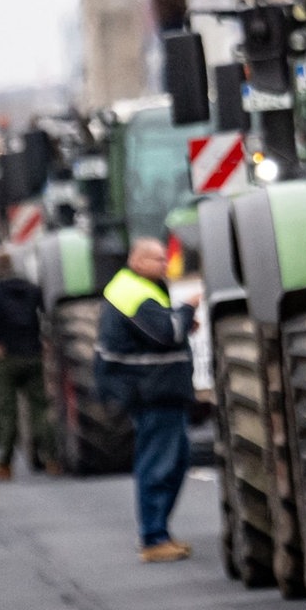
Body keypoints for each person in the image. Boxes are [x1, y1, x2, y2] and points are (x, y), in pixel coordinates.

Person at [93, 237, 198, 562]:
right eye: (157, 259)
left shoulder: (140, 288)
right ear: (137, 261)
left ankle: (160, 532)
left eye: (164, 259)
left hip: (160, 390)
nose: (164, 264)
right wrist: (187, 308)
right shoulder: (134, 292)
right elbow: (166, 333)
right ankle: (153, 538)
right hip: (151, 391)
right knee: (158, 464)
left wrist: (179, 323)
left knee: (175, 461)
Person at [0, 249, 58, 483]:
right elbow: (43, 313)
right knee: (41, 409)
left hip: (6, 358)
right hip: (33, 354)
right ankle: (52, 459)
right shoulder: (31, 288)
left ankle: (4, 465)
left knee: (7, 413)